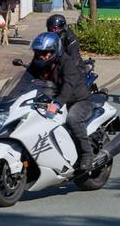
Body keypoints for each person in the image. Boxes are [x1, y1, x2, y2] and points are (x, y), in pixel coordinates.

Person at [28, 32, 94, 171]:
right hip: (52, 99)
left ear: (54, 51)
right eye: (39, 52)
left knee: (72, 119)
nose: (42, 56)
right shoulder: (38, 62)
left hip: (78, 100)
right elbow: (25, 80)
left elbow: (68, 86)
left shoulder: (66, 62)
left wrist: (57, 103)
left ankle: (86, 154)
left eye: (46, 53)